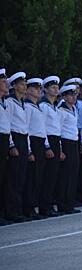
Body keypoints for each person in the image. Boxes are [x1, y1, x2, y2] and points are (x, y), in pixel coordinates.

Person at [5, 72, 29, 223]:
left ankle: (17, 209)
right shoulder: (10, 103)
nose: (24, 86)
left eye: (25, 84)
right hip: (15, 138)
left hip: (24, 139)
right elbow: (7, 124)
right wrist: (11, 144)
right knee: (12, 178)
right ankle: (10, 211)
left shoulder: (23, 103)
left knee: (21, 177)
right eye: (21, 84)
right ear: (14, 86)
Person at [23, 78, 47, 220]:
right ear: (29, 90)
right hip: (33, 142)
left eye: (39, 88)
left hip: (40, 143)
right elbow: (26, 129)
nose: (39, 91)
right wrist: (30, 150)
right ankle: (28, 208)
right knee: (31, 178)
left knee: (38, 177)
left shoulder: (37, 106)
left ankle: (33, 207)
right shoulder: (27, 107)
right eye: (35, 88)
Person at [38, 76, 62, 218]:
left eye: (56, 87)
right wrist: (47, 146)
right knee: (46, 177)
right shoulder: (43, 106)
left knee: (53, 176)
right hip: (47, 141)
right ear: (45, 90)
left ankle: (49, 205)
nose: (55, 89)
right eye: (52, 87)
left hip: (55, 140)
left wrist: (59, 147)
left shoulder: (55, 107)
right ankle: (44, 207)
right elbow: (43, 128)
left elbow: (57, 129)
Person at [57, 84, 81, 214]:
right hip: (65, 143)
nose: (74, 97)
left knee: (73, 174)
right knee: (65, 175)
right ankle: (63, 204)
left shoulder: (74, 109)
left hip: (74, 142)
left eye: (75, 95)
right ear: (65, 97)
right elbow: (58, 130)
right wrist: (60, 149)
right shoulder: (61, 110)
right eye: (71, 95)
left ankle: (69, 203)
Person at [0, 69, 10, 225]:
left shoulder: (5, 102)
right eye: (3, 81)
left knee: (4, 177)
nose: (6, 83)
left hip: (5, 139)